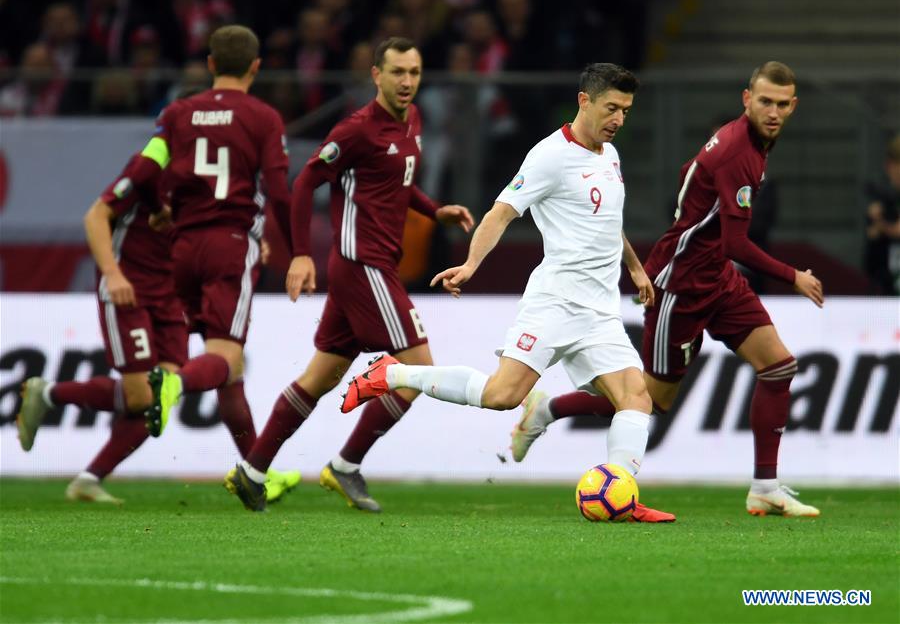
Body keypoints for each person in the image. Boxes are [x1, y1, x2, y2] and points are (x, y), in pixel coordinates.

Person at [341, 62, 672, 523]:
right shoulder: (549, 157)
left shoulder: (609, 155)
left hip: (600, 310)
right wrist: (471, 264)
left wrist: (635, 268)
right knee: (502, 396)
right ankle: (395, 375)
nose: (618, 119)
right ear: (585, 101)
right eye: (611, 108)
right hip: (555, 302)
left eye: (626, 110)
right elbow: (500, 213)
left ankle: (622, 496)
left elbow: (607, 224)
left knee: (636, 397)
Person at [508, 62, 825, 518]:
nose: (773, 111)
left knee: (778, 367)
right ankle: (546, 410)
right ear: (747, 99)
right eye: (765, 101)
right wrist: (792, 275)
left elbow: (690, 174)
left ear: (792, 105)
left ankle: (765, 487)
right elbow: (736, 241)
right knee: (649, 400)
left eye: (781, 103)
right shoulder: (738, 151)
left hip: (718, 278)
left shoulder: (753, 143)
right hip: (680, 286)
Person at [225, 37, 474, 512]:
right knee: (419, 370)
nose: (407, 82)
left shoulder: (413, 121)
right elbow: (305, 182)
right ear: (375, 75)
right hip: (363, 265)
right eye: (397, 72)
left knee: (319, 377)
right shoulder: (357, 129)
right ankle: (345, 465)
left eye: (415, 73)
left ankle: (252, 471)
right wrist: (301, 255)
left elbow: (398, 183)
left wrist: (433, 209)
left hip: (369, 268)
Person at [16, 149, 297, 504]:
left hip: (171, 291)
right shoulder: (152, 164)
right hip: (129, 287)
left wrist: (252, 244)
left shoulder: (210, 172)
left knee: (159, 398)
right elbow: (95, 216)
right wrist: (114, 275)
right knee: (145, 394)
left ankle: (89, 479)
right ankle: (49, 395)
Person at [134, 25, 293, 463]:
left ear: (210, 65)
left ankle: (256, 472)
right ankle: (176, 384)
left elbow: (146, 172)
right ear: (256, 67)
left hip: (182, 248)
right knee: (224, 355)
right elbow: (279, 192)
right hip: (230, 243)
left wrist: (157, 207)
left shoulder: (177, 114)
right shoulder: (263, 117)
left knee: (229, 370)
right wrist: (296, 250)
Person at [864, 133, 900, 295]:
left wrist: (880, 224)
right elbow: (870, 261)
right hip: (887, 290)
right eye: (895, 164)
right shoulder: (885, 201)